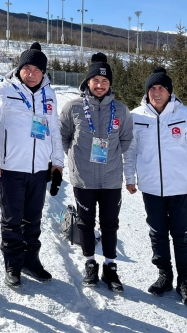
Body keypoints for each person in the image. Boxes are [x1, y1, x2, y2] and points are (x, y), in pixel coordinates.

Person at [123, 67, 187, 309]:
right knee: (157, 233)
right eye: (152, 88)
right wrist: (130, 177)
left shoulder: (186, 115)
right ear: (146, 92)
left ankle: (185, 282)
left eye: (161, 88)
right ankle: (164, 276)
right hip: (151, 188)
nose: (156, 92)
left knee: (180, 235)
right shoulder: (136, 116)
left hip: (180, 187)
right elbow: (130, 151)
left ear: (169, 92)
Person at [0, 42, 64, 288]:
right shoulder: (3, 91)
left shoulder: (49, 94)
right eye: (27, 68)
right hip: (10, 167)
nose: (31, 73)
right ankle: (12, 263)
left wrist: (57, 163)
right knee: (12, 218)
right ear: (19, 68)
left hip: (39, 169)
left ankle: (31, 260)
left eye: (37, 69)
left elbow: (53, 129)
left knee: (33, 219)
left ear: (43, 72)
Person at [59, 53, 133, 291]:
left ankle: (110, 267)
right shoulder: (74, 107)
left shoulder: (120, 110)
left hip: (111, 178)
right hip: (84, 178)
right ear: (88, 82)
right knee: (86, 223)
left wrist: (110, 158)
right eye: (95, 81)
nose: (100, 85)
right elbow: (63, 137)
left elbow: (126, 140)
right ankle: (90, 263)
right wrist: (75, 159)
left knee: (110, 224)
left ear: (110, 84)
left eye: (105, 82)